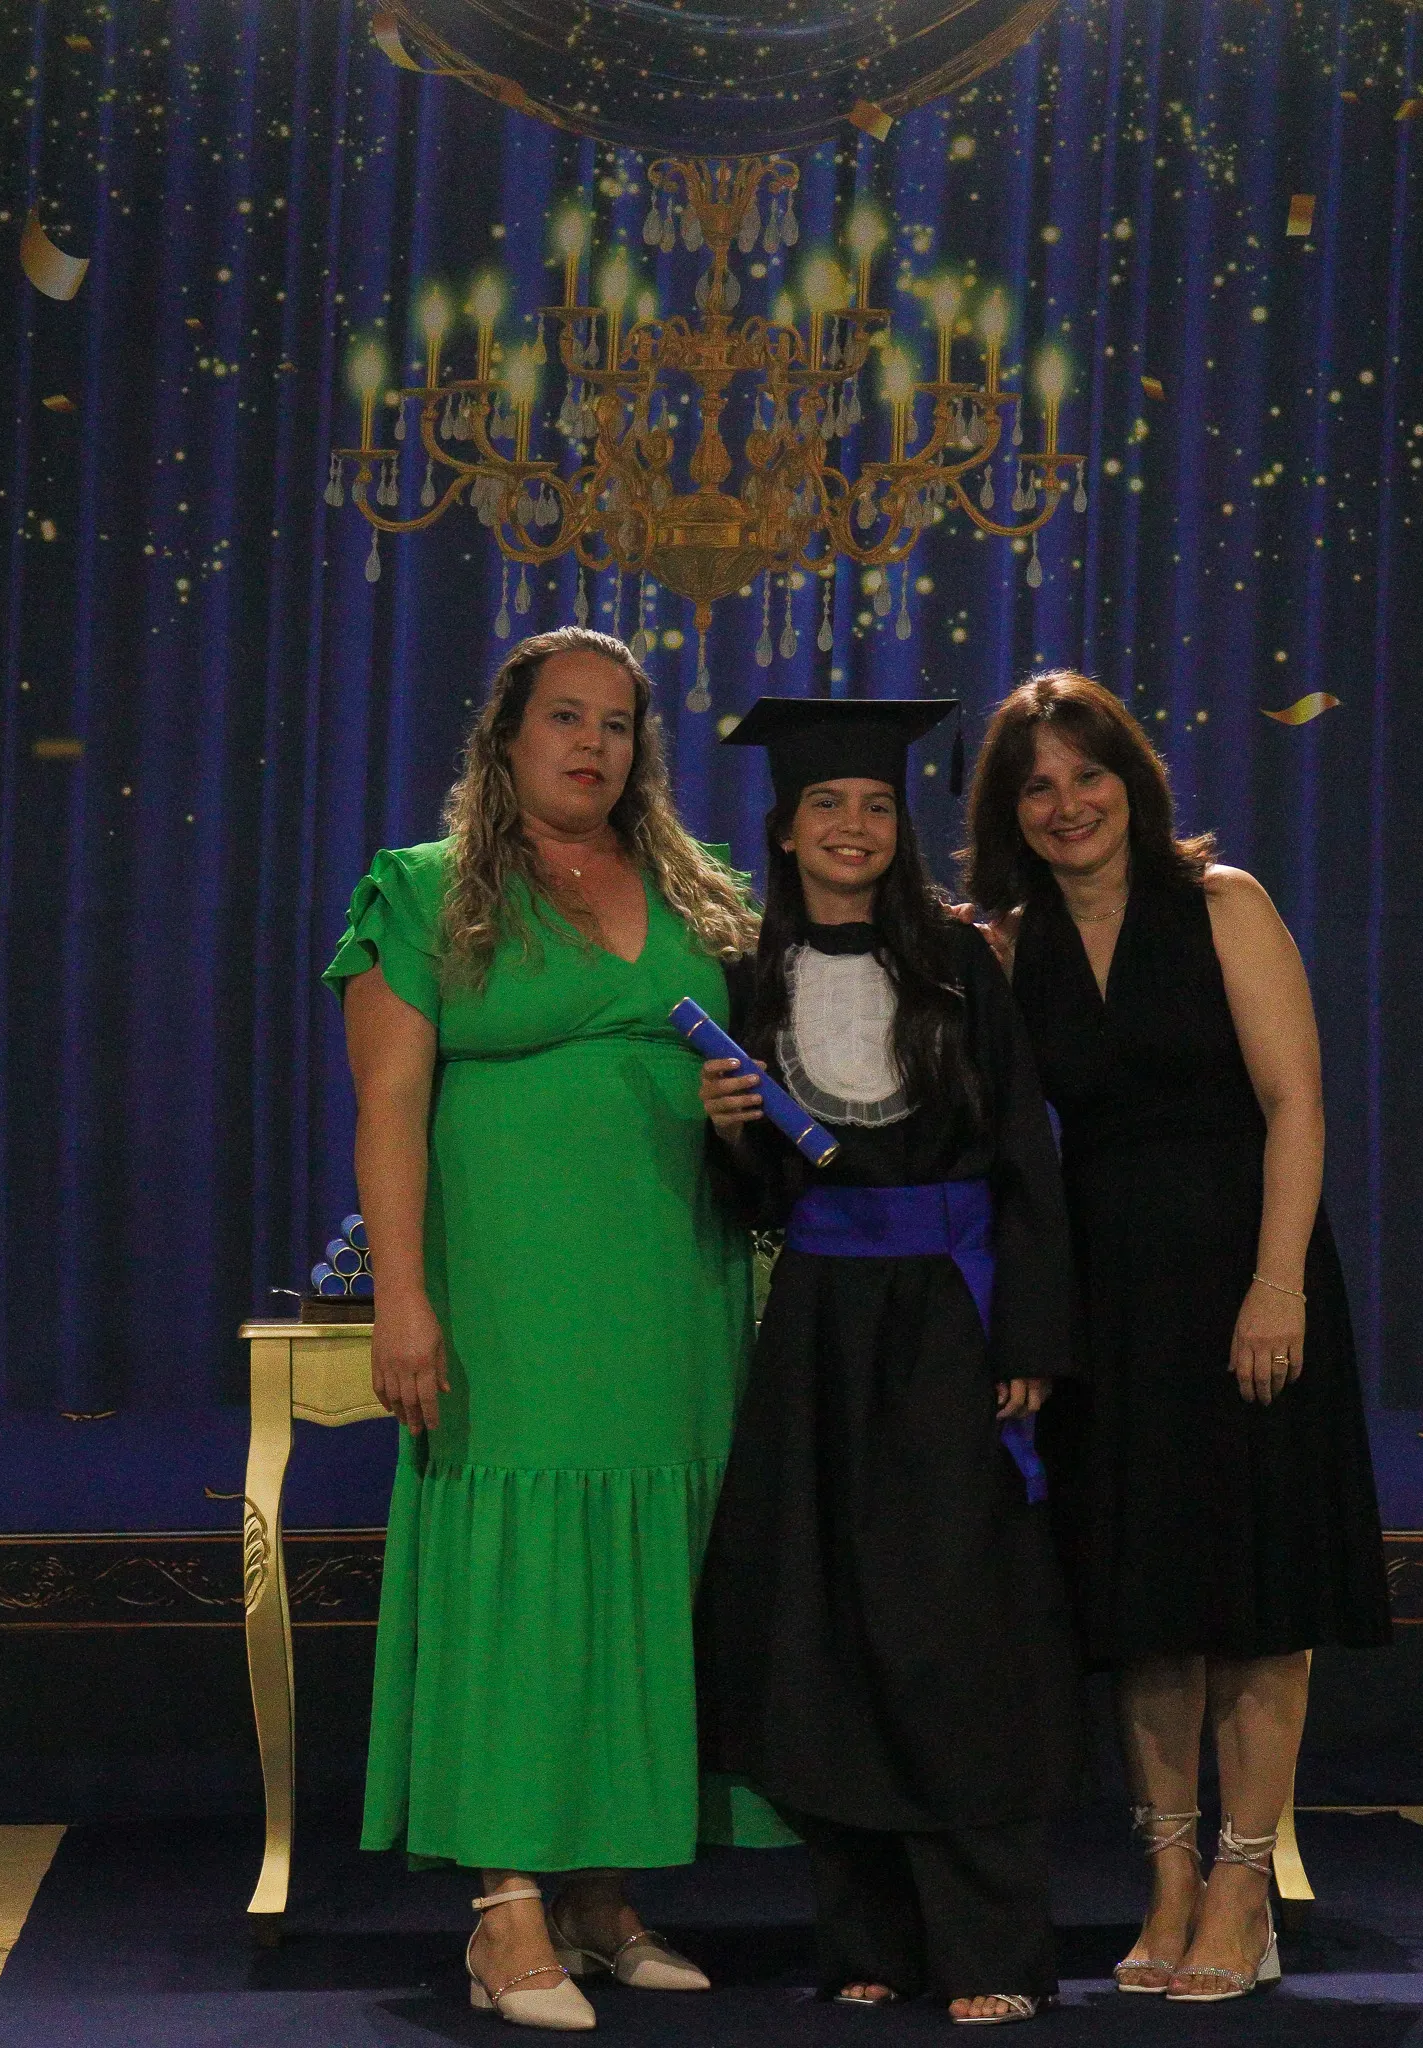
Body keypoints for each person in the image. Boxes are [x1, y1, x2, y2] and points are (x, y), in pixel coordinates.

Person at [323, 626, 786, 2032]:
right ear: (507, 738)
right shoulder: (422, 892)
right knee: (516, 1586)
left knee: (651, 1578)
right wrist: (404, 1299)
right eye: (566, 718)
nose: (593, 744)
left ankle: (598, 1894)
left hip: (676, 1295)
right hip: (511, 1309)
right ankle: (506, 1904)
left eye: (618, 724)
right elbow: (389, 1111)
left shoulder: (702, 896)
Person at [964, 671, 1390, 2005]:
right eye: (1036, 786)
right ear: (1008, 812)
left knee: (1257, 1603)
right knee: (1146, 1608)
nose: (1065, 803)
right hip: (1107, 1305)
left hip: (1246, 1282)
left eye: (1086, 774)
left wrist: (1276, 1287)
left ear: (1131, 783)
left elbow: (1296, 1104)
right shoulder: (1011, 947)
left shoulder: (1221, 904)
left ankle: (1242, 1887)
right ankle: (1165, 1881)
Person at [694, 696, 1079, 2027]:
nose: (852, 826)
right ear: (784, 831)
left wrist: (1027, 1335)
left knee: (955, 1630)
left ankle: (989, 1953)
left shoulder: (959, 963)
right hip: (819, 1325)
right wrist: (729, 1131)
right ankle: (867, 1939)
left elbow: (1025, 1154)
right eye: (826, 806)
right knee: (832, 1621)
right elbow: (754, 1203)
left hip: (952, 1318)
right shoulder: (747, 978)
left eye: (873, 805)